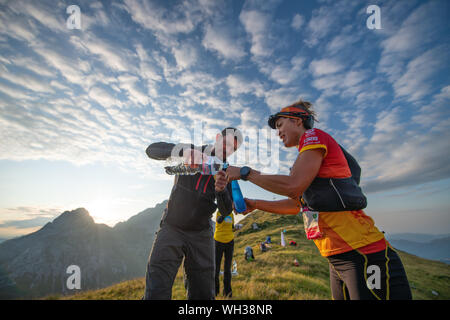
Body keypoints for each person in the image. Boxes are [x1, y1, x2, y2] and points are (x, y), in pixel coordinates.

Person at [221, 100, 412, 300]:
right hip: (336, 259)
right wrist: (255, 203)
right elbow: (297, 205)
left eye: (280, 125)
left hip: (364, 252)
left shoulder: (313, 137)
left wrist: (245, 173)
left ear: (296, 120)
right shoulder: (304, 161)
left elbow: (292, 185)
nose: (278, 132)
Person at [143, 127, 242, 300]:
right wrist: (184, 151)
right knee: (156, 291)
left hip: (201, 234)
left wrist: (221, 190)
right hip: (172, 227)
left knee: (203, 294)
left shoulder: (226, 171)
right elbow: (152, 150)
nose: (227, 150)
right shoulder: (193, 150)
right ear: (218, 138)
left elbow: (226, 211)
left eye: (232, 148)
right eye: (225, 143)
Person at [213, 210, 235, 298]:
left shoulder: (232, 214)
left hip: (230, 242)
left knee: (227, 268)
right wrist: (224, 213)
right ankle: (215, 291)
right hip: (218, 242)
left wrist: (235, 228)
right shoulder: (219, 212)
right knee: (216, 268)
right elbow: (219, 220)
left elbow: (231, 227)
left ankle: (227, 292)